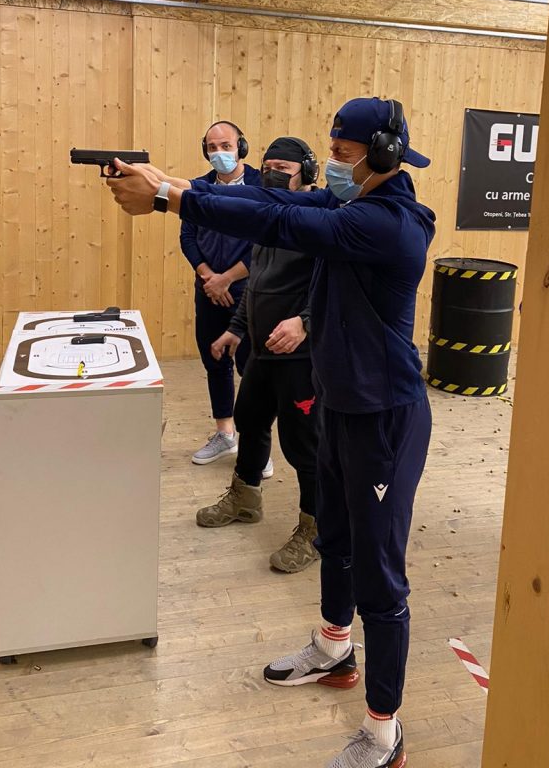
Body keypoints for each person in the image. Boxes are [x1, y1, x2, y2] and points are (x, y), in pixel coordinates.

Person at [107, 97, 435, 768]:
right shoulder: (353, 203)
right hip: (341, 403)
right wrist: (176, 183)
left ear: (381, 155)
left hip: (383, 417)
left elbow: (277, 218)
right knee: (334, 538)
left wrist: (170, 200)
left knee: (380, 579)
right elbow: (277, 202)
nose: (333, 165)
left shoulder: (387, 223)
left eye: (342, 155)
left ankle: (383, 731)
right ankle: (334, 649)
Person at [200, 136, 321, 574]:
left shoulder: (319, 220)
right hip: (263, 351)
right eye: (267, 167)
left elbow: (334, 286)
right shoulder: (270, 219)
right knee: (249, 420)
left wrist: (304, 322)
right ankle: (245, 499)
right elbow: (257, 282)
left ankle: (316, 530)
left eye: (282, 169)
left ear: (307, 174)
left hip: (301, 358)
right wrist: (236, 329)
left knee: (305, 445)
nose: (271, 174)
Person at [179, 120, 263, 468]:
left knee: (251, 367)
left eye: (225, 146)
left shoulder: (261, 185)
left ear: (241, 147)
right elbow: (188, 238)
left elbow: (265, 242)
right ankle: (224, 434)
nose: (219, 153)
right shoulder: (198, 188)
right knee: (215, 361)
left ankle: (256, 443)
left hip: (249, 292)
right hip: (208, 290)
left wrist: (227, 278)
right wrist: (209, 277)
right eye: (212, 147)